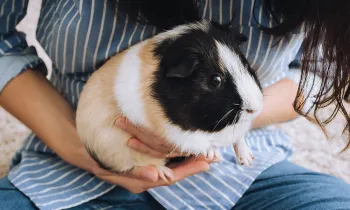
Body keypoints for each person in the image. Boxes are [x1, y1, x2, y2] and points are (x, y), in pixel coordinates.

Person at [0, 0, 349, 209]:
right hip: (67, 164)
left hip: (241, 174)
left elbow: (318, 72)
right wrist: (87, 147)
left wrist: (232, 128)